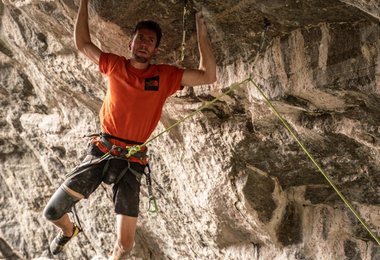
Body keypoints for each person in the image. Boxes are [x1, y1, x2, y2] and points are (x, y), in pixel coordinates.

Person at [42, 0, 216, 259]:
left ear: (155, 49)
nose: (144, 43)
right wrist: (84, 2)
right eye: (140, 39)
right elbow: (83, 44)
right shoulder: (115, 65)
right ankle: (69, 232)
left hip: (131, 161)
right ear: (130, 44)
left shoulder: (164, 76)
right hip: (102, 150)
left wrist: (201, 29)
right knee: (52, 212)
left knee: (125, 245)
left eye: (150, 41)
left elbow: (207, 76)